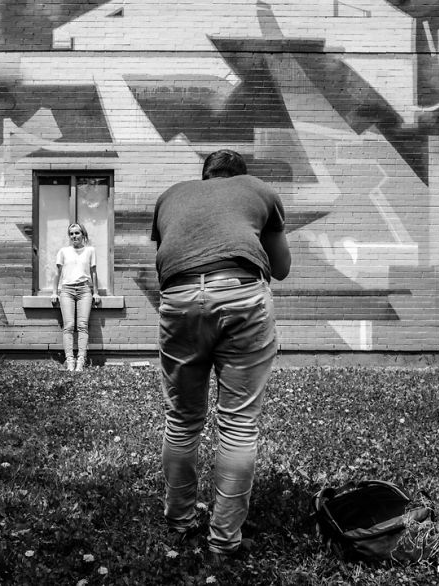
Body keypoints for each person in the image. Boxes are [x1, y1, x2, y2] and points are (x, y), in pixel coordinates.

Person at [151, 149, 291, 557]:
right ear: (238, 177)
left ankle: (179, 522)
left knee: (181, 419)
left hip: (178, 299)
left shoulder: (171, 196)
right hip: (241, 295)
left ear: (205, 176)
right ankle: (224, 541)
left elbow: (172, 259)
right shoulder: (256, 189)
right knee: (238, 425)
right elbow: (280, 267)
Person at [51, 222, 101, 371]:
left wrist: (96, 292)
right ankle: (70, 361)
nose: (74, 236)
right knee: (68, 326)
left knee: (82, 326)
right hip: (66, 291)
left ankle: (81, 361)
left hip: (85, 290)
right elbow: (57, 273)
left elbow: (93, 273)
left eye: (77, 233)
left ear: (83, 234)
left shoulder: (90, 250)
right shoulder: (63, 252)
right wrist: (54, 292)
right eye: (71, 234)